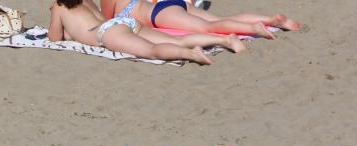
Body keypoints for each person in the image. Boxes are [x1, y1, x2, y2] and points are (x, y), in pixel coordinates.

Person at [48, 0, 246, 65]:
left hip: (107, 33)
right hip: (123, 21)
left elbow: (54, 38)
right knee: (177, 40)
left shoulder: (58, 6)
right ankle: (225, 40)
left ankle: (190, 54)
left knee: (152, 50)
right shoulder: (86, 1)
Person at [100, 0, 302, 38]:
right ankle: (271, 20)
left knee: (209, 27)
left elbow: (106, 19)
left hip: (160, 14)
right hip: (171, 4)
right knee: (221, 19)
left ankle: (255, 28)